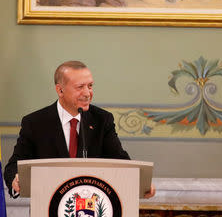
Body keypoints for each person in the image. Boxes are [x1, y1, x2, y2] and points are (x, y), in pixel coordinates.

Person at [4, 61, 155, 198]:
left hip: (93, 212)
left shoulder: (102, 120)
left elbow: (120, 161)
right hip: (47, 209)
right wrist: (15, 180)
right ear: (60, 90)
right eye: (80, 87)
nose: (87, 93)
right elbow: (13, 166)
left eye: (90, 86)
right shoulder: (35, 122)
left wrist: (140, 184)